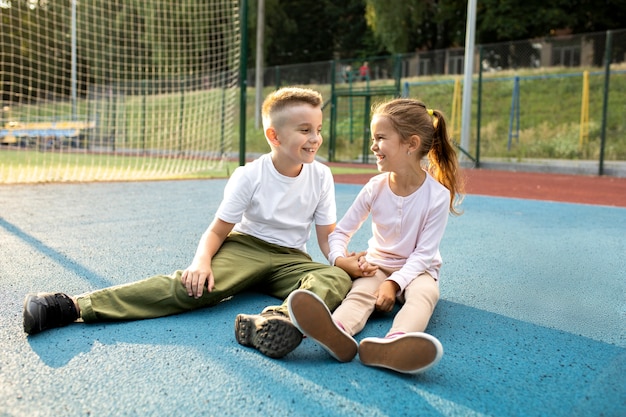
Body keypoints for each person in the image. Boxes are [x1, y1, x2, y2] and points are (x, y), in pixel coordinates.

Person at [22, 87, 354, 360]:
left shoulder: (321, 175)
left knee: (335, 276)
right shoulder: (249, 176)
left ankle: (276, 320)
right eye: (305, 130)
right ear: (274, 136)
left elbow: (327, 237)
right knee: (192, 288)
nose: (315, 138)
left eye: (318, 130)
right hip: (246, 248)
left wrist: (341, 259)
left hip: (290, 259)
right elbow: (218, 230)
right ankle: (72, 306)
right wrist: (201, 262)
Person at [287, 98, 464, 373]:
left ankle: (397, 342)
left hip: (419, 271)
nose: (373, 146)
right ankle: (337, 332)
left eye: (380, 138)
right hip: (377, 265)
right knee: (359, 294)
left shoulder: (437, 196)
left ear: (411, 144)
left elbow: (424, 254)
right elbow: (341, 232)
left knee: (424, 295)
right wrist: (339, 259)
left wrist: (393, 285)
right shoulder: (375, 187)